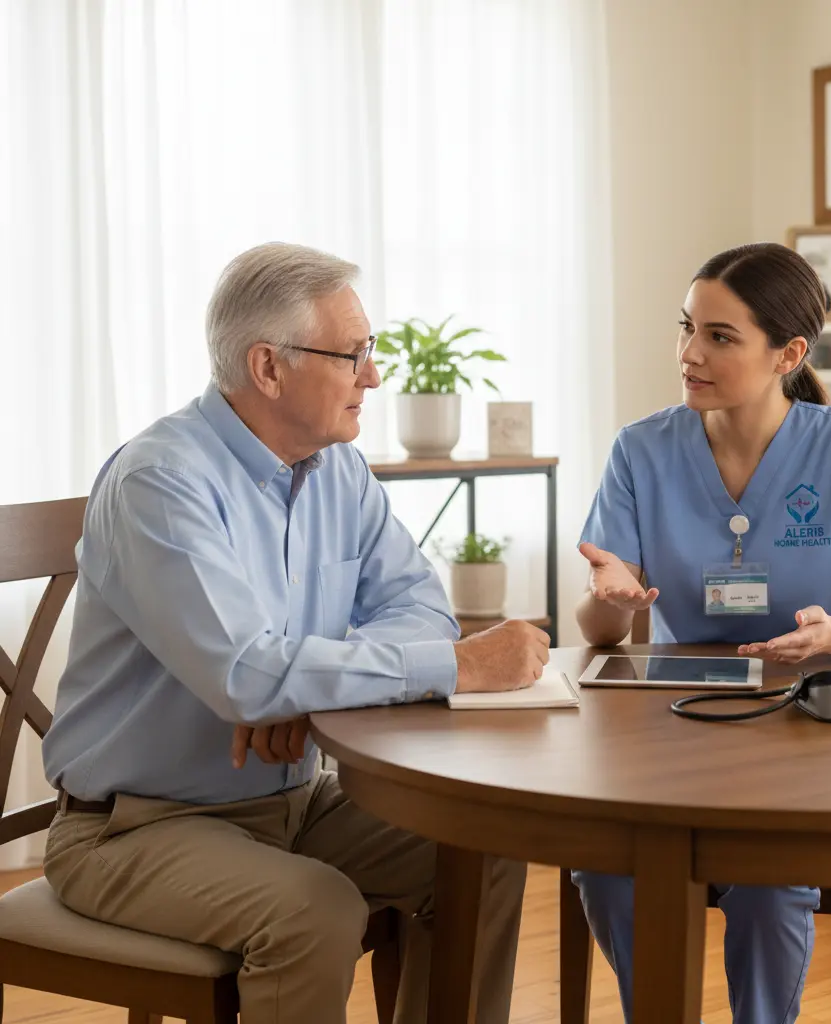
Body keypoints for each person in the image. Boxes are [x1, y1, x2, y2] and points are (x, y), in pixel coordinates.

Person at [42, 242, 549, 1024]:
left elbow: (420, 608)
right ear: (268, 368)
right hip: (133, 828)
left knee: (480, 847)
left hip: (294, 802)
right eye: (352, 355)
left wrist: (305, 693)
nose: (373, 377)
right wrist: (458, 667)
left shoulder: (338, 469)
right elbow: (247, 675)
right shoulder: (161, 481)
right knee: (315, 910)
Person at [572, 241, 831, 1024]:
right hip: (670, 730)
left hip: (801, 729)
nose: (689, 354)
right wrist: (615, 599)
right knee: (604, 871)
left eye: (719, 336)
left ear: (788, 355)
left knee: (770, 887)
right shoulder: (640, 449)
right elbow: (598, 631)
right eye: (686, 328)